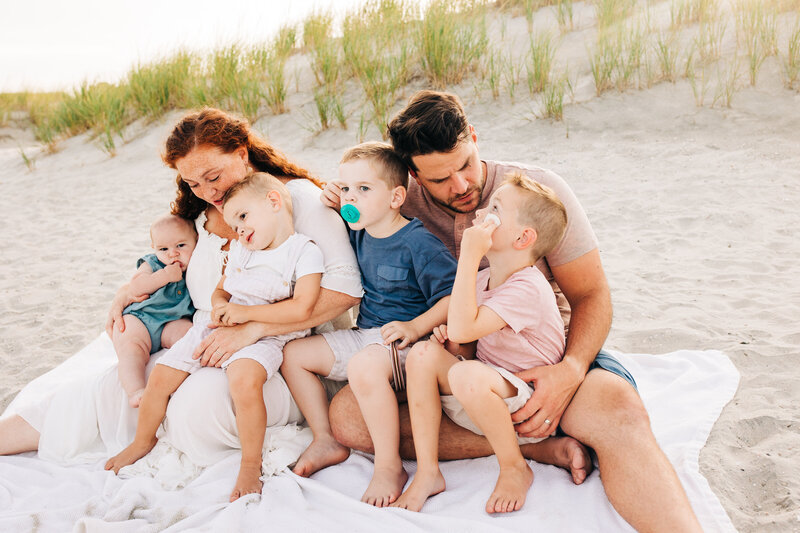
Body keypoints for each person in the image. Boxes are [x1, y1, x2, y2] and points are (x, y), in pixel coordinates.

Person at [324, 91, 703, 532]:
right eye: (440, 179)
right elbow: (345, 201)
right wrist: (335, 197)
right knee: (349, 418)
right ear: (411, 177)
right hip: (456, 359)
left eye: (465, 164)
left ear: (475, 138)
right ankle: (530, 448)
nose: (462, 186)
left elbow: (592, 295)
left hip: (543, 357)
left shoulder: (534, 194)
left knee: (619, 412)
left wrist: (572, 369)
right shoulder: (396, 200)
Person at [0, 109, 362, 478]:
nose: (208, 192)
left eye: (213, 176)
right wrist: (126, 294)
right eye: (193, 183)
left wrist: (252, 330)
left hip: (285, 355)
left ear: (241, 153)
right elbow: (168, 265)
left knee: (197, 407)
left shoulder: (292, 198)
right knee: (119, 387)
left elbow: (346, 291)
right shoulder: (201, 213)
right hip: (206, 336)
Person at [106, 173, 325, 502]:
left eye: (243, 218)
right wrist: (221, 306)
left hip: (268, 333)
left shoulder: (303, 252)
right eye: (234, 224)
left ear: (274, 202)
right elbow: (221, 290)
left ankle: (250, 464)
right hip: (220, 324)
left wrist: (246, 317)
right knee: (162, 377)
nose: (238, 230)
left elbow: (303, 307)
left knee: (244, 382)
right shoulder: (241, 249)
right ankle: (142, 439)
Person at [281, 142, 457, 507]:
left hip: (408, 344)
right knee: (293, 354)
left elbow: (454, 297)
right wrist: (334, 195)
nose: (351, 198)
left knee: (364, 365)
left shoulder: (419, 243)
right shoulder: (357, 231)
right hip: (366, 336)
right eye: (346, 188)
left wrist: (415, 326)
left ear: (395, 197)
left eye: (363, 189)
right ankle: (325, 437)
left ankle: (390, 466)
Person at [392, 174, 568, 514]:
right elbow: (464, 341)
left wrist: (470, 256)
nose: (482, 212)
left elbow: (463, 328)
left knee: (466, 376)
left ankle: (515, 466)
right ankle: (428, 472)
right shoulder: (486, 278)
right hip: (486, 398)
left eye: (496, 208)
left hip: (528, 408)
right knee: (423, 353)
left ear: (523, 238)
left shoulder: (528, 287)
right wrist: (454, 349)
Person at [113, 214, 197, 408]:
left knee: (190, 335)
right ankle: (135, 391)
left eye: (181, 246)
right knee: (131, 348)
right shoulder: (153, 264)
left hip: (171, 321)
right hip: (141, 317)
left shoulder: (195, 267)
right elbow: (135, 287)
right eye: (163, 249)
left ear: (196, 241)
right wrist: (164, 276)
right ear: (154, 248)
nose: (172, 254)